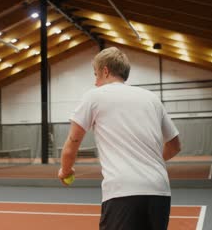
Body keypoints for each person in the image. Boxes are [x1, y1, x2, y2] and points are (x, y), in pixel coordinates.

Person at [58, 47, 181, 230]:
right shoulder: (152, 98)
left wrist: (65, 170)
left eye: (96, 74)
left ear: (105, 71)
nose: (95, 81)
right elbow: (175, 146)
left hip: (122, 192)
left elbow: (72, 142)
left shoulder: (94, 96)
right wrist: (146, 162)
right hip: (160, 191)